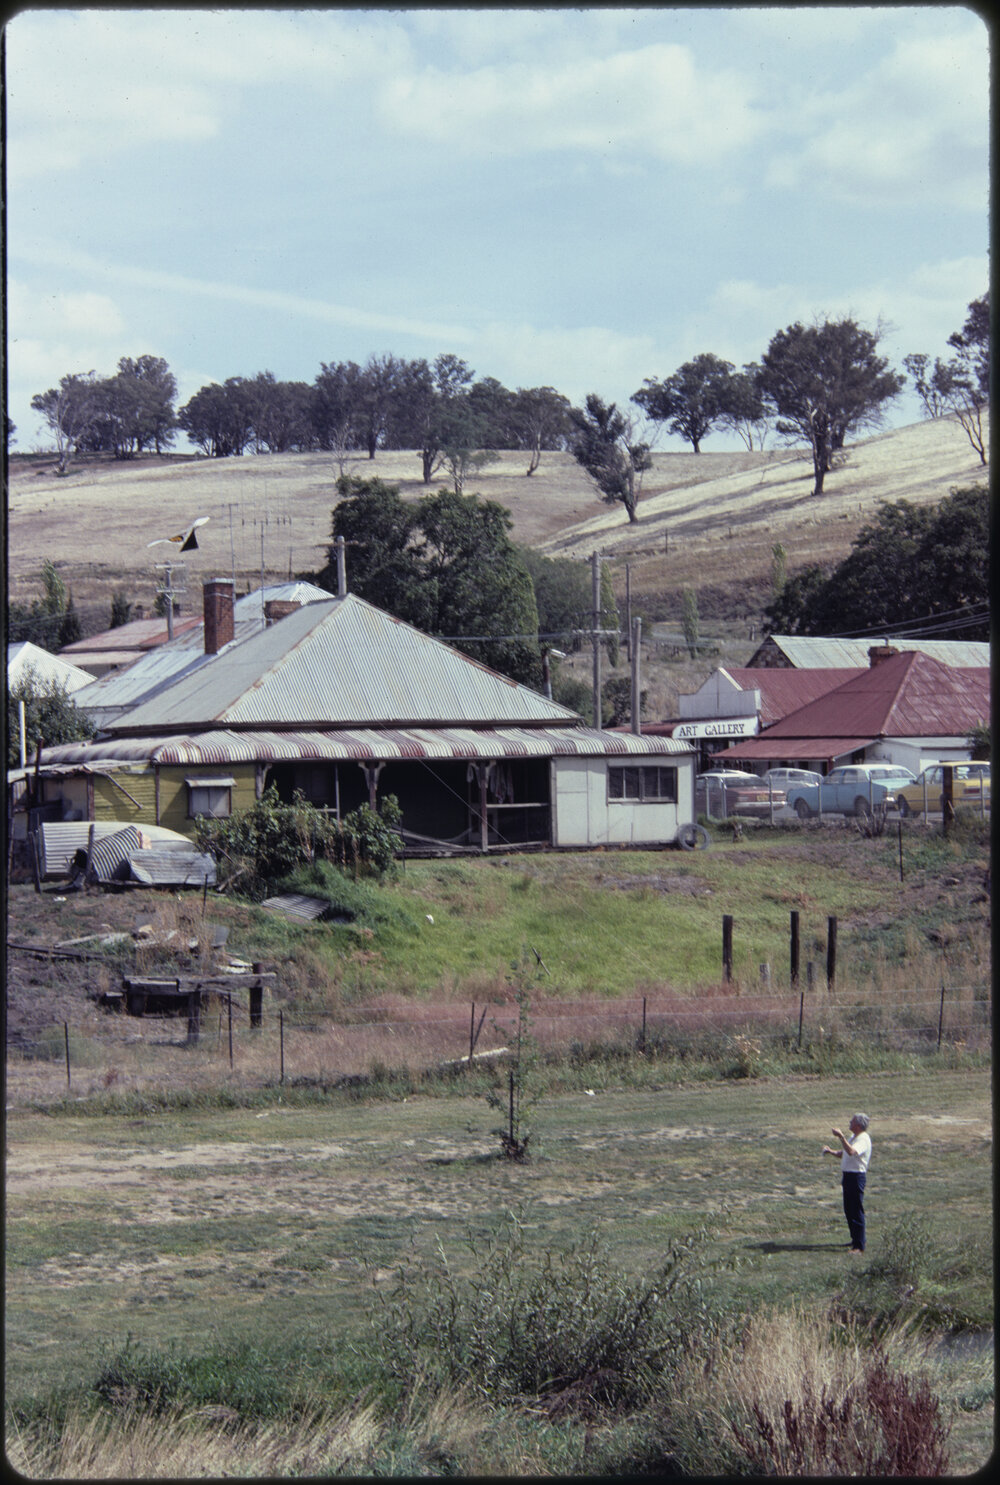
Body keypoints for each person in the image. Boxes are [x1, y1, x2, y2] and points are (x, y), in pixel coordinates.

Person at [822, 1113, 871, 1253]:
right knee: (849, 1210)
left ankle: (859, 1246)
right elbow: (844, 1152)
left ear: (858, 1125)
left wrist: (841, 1136)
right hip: (848, 1176)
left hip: (856, 1177)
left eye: (852, 1121)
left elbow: (851, 1151)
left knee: (856, 1210)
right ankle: (856, 1239)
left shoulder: (863, 1139)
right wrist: (831, 1151)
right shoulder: (853, 1137)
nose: (850, 1122)